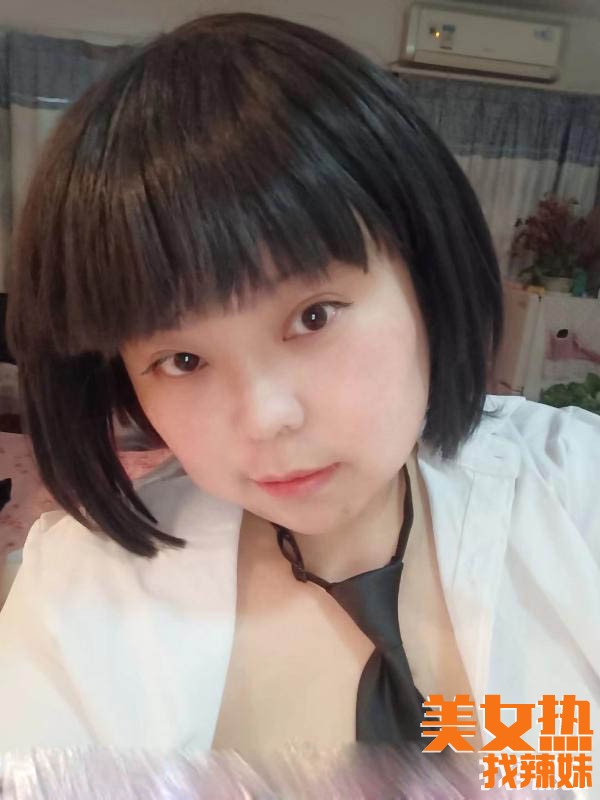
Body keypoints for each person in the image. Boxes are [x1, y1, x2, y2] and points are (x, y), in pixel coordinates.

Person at [0, 11, 598, 788]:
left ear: (425, 279)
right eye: (182, 359)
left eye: (313, 317)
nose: (265, 419)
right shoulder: (77, 596)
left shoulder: (578, 489)